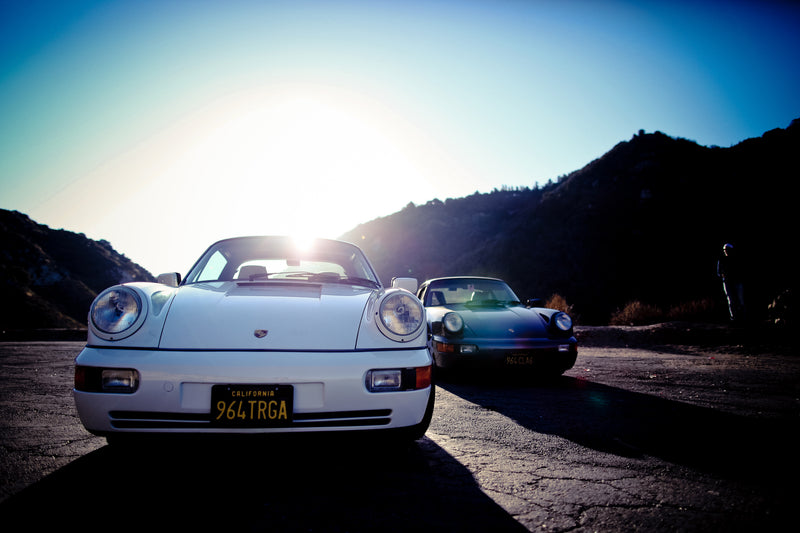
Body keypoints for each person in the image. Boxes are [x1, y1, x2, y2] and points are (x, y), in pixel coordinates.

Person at [717, 243, 746, 323]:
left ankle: (743, 317)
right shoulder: (722, 260)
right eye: (725, 250)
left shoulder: (736, 259)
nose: (726, 251)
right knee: (731, 300)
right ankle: (734, 317)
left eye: (727, 249)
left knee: (740, 300)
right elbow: (719, 272)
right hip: (727, 282)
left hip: (737, 281)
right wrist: (723, 276)